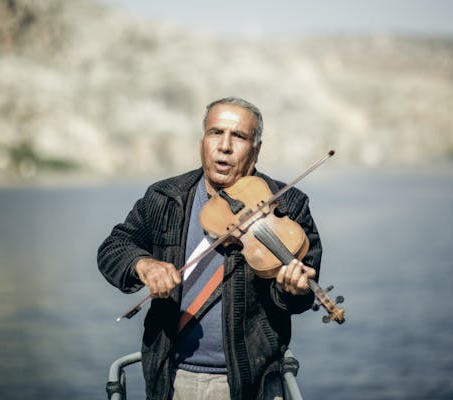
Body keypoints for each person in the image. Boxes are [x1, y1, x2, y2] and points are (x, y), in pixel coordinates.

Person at [97, 97, 322, 400]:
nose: (225, 146)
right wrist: (144, 264)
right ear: (202, 140)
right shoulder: (166, 197)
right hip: (173, 378)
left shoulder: (288, 204)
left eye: (239, 136)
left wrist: (291, 289)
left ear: (255, 151)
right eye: (216, 133)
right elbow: (115, 246)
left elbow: (303, 294)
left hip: (249, 382)